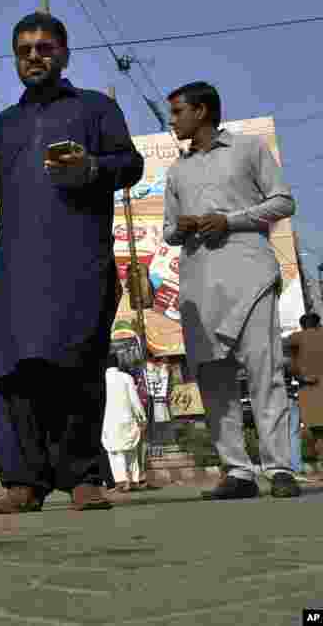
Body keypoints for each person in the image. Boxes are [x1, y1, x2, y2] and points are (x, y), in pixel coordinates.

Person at [0, 13, 143, 513]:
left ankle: (85, 477)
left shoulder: (95, 109)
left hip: (79, 262)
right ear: (15, 59)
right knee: (16, 374)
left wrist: (90, 167)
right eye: (25, 50)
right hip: (16, 267)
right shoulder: (5, 124)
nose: (34, 56)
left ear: (64, 55)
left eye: (45, 48)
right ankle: (23, 483)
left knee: (77, 368)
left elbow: (130, 165)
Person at [162, 81, 299, 499]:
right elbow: (169, 231)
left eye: (178, 112)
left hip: (250, 275)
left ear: (201, 111)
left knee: (265, 373)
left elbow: (283, 202)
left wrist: (230, 220)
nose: (173, 120)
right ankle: (237, 472)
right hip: (199, 285)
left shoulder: (248, 149)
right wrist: (181, 227)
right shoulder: (177, 170)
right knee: (213, 379)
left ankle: (279, 470)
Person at [102, 353, 147, 492]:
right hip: (127, 419)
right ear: (118, 364)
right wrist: (142, 417)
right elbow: (134, 399)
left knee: (115, 452)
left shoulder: (100, 379)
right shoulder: (126, 377)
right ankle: (134, 480)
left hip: (108, 421)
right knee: (131, 450)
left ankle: (121, 480)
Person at [288, 312, 323, 469]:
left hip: (308, 389)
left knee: (316, 431)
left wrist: (301, 377)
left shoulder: (297, 338)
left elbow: (291, 367)